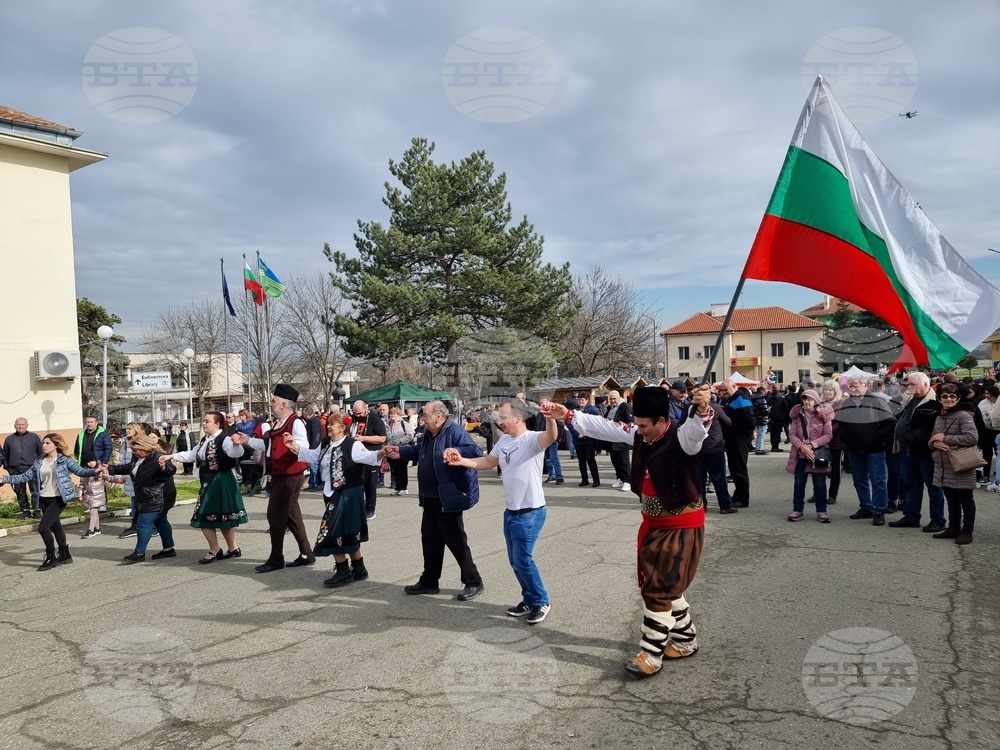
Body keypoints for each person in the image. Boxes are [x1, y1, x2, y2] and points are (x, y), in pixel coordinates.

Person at [540, 385, 714, 678]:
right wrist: (568, 414)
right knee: (666, 586)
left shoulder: (682, 436)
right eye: (638, 425)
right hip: (654, 524)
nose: (639, 431)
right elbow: (605, 427)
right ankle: (685, 640)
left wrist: (702, 409)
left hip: (681, 526)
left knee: (658, 589)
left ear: (662, 420)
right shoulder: (640, 433)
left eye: (644, 426)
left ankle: (651, 653)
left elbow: (698, 430)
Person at [444, 401, 559, 624]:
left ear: (518, 418)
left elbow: (551, 436)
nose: (499, 422)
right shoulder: (504, 440)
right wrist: (462, 461)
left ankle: (541, 601)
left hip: (531, 511)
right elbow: (488, 461)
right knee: (515, 561)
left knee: (523, 560)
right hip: (511, 511)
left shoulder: (532, 439)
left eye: (503, 417)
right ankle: (529, 600)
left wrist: (550, 417)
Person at [384, 400, 485, 601]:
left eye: (425, 414)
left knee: (456, 542)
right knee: (430, 541)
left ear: (438, 416)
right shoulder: (429, 433)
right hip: (430, 497)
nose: (422, 418)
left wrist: (457, 452)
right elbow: (420, 451)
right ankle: (429, 581)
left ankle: (473, 581)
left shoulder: (454, 431)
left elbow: (475, 452)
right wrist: (400, 452)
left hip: (447, 497)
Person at [284, 413, 386, 586]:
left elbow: (369, 457)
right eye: (329, 424)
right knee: (346, 531)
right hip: (331, 492)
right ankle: (359, 568)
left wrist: (382, 452)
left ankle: (343, 570)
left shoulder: (352, 444)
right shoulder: (326, 443)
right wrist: (294, 446)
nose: (329, 427)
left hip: (348, 494)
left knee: (331, 531)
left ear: (342, 427)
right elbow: (313, 456)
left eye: (333, 424)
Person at [232, 384, 314, 572]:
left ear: (283, 405)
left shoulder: (295, 422)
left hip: (289, 475)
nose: (271, 404)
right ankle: (306, 553)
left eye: (274, 401)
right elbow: (268, 445)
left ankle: (276, 558)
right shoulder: (278, 423)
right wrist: (247, 440)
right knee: (291, 516)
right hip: (281, 475)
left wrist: (293, 444)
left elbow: (304, 446)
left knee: (275, 516)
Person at [1, 433, 99, 570]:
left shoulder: (64, 460)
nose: (44, 445)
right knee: (55, 527)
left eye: (47, 443)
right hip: (43, 498)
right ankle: (65, 554)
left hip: (58, 499)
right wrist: (5, 479)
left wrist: (95, 471)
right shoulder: (39, 461)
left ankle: (51, 556)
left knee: (43, 528)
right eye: (43, 443)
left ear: (56, 445)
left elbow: (80, 471)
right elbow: (25, 476)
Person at [168, 412, 248, 563]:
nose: (204, 424)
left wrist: (237, 444)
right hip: (210, 480)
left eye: (207, 421)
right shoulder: (205, 439)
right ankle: (233, 548)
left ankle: (215, 549)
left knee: (203, 515)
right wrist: (171, 456)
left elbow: (235, 453)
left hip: (220, 481)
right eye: (203, 421)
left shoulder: (224, 439)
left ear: (217, 424)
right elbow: (192, 455)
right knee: (221, 516)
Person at [105, 432, 177, 563]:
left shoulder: (159, 457)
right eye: (133, 450)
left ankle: (139, 553)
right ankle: (168, 549)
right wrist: (110, 469)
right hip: (148, 496)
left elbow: (171, 470)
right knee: (160, 520)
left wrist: (164, 467)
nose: (134, 452)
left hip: (157, 497)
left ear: (146, 447)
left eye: (136, 450)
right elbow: (129, 468)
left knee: (143, 523)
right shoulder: (137, 458)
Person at [889, 373, 947, 532]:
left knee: (934, 486)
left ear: (926, 384)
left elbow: (938, 426)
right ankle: (911, 516)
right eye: (908, 384)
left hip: (926, 451)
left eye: (913, 384)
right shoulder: (910, 400)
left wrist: (920, 437)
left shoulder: (935, 402)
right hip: (908, 450)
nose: (909, 387)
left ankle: (938, 520)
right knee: (911, 484)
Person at [928, 384, 978, 544]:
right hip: (944, 466)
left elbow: (972, 438)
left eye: (952, 396)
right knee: (951, 499)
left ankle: (967, 531)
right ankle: (953, 528)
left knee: (966, 500)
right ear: (939, 399)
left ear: (958, 398)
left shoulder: (963, 415)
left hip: (961, 464)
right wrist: (933, 443)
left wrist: (946, 439)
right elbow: (933, 438)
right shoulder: (939, 417)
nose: (948, 399)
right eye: (944, 396)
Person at [786, 389, 834, 522]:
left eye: (810, 399)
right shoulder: (797, 414)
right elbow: (792, 434)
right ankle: (797, 510)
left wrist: (811, 445)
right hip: (800, 454)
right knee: (799, 483)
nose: (807, 402)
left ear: (816, 400)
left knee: (820, 484)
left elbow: (828, 435)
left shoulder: (824, 414)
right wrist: (801, 446)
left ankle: (822, 511)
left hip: (817, 454)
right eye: (805, 399)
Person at [717, 379, 754, 508]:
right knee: (734, 469)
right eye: (721, 390)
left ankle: (743, 499)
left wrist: (750, 433)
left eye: (725, 389)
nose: (723, 392)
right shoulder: (729, 399)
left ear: (734, 387)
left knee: (739, 469)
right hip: (732, 438)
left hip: (740, 438)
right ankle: (738, 495)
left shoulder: (742, 398)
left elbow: (749, 418)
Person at [74, 415, 112, 538]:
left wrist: (104, 462)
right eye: (87, 422)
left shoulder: (103, 433)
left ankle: (100, 506)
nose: (89, 424)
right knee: (86, 485)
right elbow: (77, 448)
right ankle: (95, 522)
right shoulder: (81, 434)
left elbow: (108, 448)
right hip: (85, 465)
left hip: (98, 464)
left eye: (91, 422)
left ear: (96, 423)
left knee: (97, 486)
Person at [348, 400, 387, 519]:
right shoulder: (353, 419)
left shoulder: (375, 419)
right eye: (355, 413)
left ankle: (370, 509)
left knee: (370, 484)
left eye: (359, 413)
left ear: (366, 408)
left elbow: (382, 438)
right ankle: (359, 507)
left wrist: (363, 438)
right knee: (357, 483)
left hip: (371, 455)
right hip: (356, 456)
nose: (357, 415)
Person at [2, 417, 43, 519]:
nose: (20, 426)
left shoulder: (34, 437)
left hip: (32, 468)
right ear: (14, 426)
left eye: (23, 424)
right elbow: (5, 454)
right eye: (18, 424)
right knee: (20, 491)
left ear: (27, 425)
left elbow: (41, 453)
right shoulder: (9, 439)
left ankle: (37, 510)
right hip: (15, 469)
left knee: (35, 490)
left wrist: (39, 466)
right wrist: (8, 467)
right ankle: (25, 511)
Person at [568, 395, 601, 488]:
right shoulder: (574, 410)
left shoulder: (593, 410)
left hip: (590, 440)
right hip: (578, 440)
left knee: (590, 459)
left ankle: (596, 480)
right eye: (579, 400)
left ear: (587, 400)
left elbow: (597, 423)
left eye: (582, 400)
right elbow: (569, 423)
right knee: (581, 460)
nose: (580, 401)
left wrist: (586, 432)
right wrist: (577, 434)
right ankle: (584, 479)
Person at [605, 391, 633, 492]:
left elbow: (630, 422)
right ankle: (620, 478)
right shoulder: (610, 408)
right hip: (612, 439)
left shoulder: (626, 407)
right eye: (611, 399)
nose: (613, 401)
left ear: (619, 397)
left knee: (624, 461)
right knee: (615, 461)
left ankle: (628, 481)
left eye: (614, 399)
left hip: (622, 439)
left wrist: (619, 425)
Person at [386, 406, 415, 495]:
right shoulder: (387, 423)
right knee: (394, 469)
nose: (392, 415)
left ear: (398, 415)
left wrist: (400, 440)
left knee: (402, 469)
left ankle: (404, 488)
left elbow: (410, 435)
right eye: (391, 414)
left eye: (394, 414)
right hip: (391, 449)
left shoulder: (403, 423)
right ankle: (397, 487)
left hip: (402, 448)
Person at [304, 406, 324, 491]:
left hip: (315, 447)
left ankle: (315, 484)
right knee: (313, 467)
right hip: (314, 446)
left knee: (314, 467)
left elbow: (316, 435)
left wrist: (313, 448)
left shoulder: (314, 421)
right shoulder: (312, 421)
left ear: (307, 414)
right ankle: (312, 483)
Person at [751, 386, 770, 455]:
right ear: (762, 392)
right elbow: (764, 410)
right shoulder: (762, 400)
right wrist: (768, 411)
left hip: (755, 418)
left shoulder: (752, 399)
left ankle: (757, 448)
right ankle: (759, 449)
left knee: (758, 434)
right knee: (761, 435)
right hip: (762, 418)